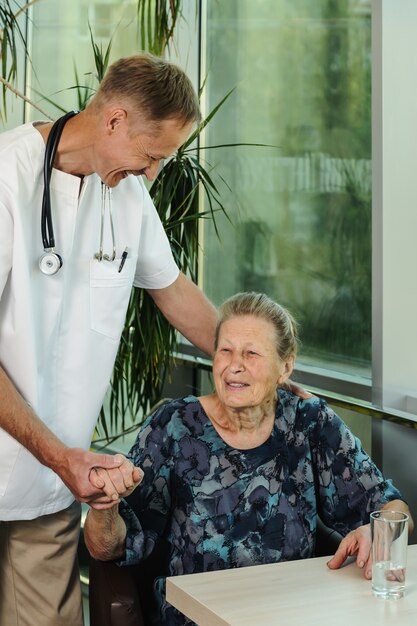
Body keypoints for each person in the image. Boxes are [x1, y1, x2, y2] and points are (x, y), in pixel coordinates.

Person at [0, 53, 219, 626]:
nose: (153, 174)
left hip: (49, 485)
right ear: (115, 120)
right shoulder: (5, 176)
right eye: (152, 156)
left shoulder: (125, 192)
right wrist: (59, 456)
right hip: (52, 455)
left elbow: (174, 293)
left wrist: (251, 355)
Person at [84, 291, 413, 626]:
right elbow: (107, 548)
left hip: (295, 613)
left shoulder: (309, 423)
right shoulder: (174, 426)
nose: (234, 365)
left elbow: (393, 507)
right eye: (225, 350)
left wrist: (378, 533)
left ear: (286, 366)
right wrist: (104, 505)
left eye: (251, 353)